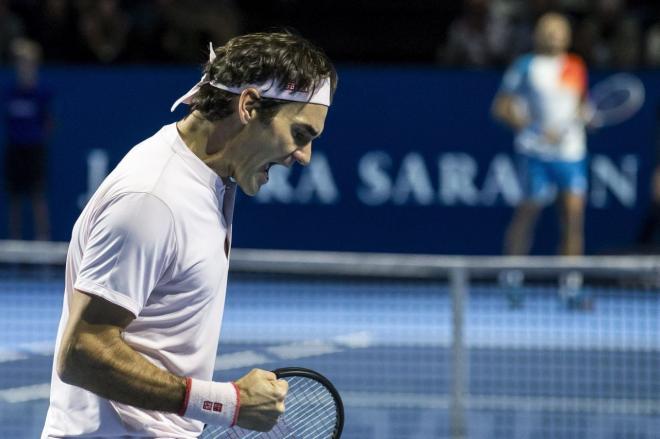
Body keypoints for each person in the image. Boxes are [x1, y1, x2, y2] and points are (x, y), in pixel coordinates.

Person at [41, 31, 337, 438]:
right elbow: (81, 353)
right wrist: (226, 403)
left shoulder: (209, 182)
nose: (303, 156)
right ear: (249, 105)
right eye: (301, 134)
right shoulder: (153, 199)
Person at [492, 13, 591, 309]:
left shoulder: (576, 66)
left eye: (559, 30)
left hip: (571, 153)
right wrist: (533, 129)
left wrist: (585, 117)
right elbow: (501, 108)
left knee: (573, 218)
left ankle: (571, 287)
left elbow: (581, 107)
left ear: (568, 36)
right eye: (547, 30)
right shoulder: (525, 66)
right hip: (535, 153)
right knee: (528, 213)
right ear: (537, 34)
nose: (554, 35)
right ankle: (511, 281)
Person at [3, 38, 53, 240]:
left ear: (34, 66)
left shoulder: (41, 94)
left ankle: (44, 242)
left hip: (34, 150)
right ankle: (14, 246)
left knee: (37, 196)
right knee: (13, 199)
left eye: (27, 63)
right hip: (14, 149)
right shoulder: (9, 92)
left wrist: (37, 138)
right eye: (20, 63)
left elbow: (49, 123)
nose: (23, 67)